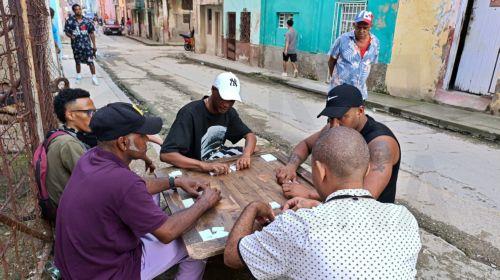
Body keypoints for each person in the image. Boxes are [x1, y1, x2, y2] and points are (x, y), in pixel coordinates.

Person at [224, 127, 421, 279]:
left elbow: (232, 257)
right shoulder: (405, 219)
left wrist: (254, 207)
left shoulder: (298, 227)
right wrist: (318, 206)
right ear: (367, 170)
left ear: (320, 171)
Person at [55, 102, 221, 279]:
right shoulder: (122, 182)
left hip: (78, 264)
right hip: (107, 273)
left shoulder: (92, 156)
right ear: (123, 142)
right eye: (142, 135)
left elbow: (139, 184)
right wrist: (204, 202)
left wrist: (176, 181)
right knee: (196, 244)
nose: (148, 139)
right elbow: (167, 232)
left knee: (154, 200)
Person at [275, 84, 400, 203]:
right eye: (330, 118)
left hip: (371, 218)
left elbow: (364, 198)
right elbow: (306, 144)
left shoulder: (381, 145)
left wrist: (310, 194)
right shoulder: (334, 128)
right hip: (337, 204)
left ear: (360, 111)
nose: (334, 125)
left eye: (341, 117)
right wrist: (291, 166)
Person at [160, 72, 257, 175]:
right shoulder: (189, 113)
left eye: (231, 100)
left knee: (253, 151)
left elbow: (250, 136)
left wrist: (246, 155)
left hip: (215, 161)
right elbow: (166, 155)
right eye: (223, 98)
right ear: (213, 90)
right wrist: (204, 166)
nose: (226, 104)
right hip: (192, 168)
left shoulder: (229, 112)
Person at [46, 88, 96, 211]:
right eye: (88, 112)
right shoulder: (68, 143)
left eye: (94, 112)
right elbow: (96, 183)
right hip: (72, 212)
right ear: (70, 115)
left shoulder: (64, 132)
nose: (93, 117)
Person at [328, 10, 379, 100]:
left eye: (365, 27)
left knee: (355, 114)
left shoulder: (375, 42)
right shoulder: (343, 39)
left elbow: (369, 64)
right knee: (336, 114)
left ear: (371, 26)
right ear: (354, 25)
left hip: (359, 92)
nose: (361, 30)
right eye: (358, 27)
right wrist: (335, 79)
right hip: (339, 90)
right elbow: (331, 61)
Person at [64, 4, 99, 85]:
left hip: (87, 45)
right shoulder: (69, 21)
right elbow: (66, 31)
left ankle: (94, 77)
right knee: (77, 61)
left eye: (79, 9)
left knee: (90, 61)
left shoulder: (87, 21)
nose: (78, 11)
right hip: (76, 46)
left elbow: (91, 33)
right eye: (76, 9)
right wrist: (71, 36)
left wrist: (94, 45)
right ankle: (79, 76)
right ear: (74, 11)